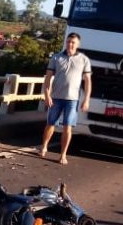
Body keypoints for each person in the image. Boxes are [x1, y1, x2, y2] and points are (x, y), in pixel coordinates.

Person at [39, 32, 92, 165]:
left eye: (73, 42)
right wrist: (47, 95)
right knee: (50, 123)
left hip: (72, 100)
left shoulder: (83, 60)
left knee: (67, 127)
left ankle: (63, 154)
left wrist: (86, 99)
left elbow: (87, 80)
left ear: (78, 44)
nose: (70, 44)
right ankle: (44, 146)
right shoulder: (56, 57)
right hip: (56, 97)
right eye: (68, 42)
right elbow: (48, 77)